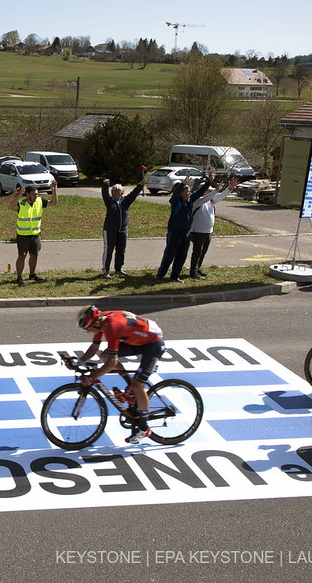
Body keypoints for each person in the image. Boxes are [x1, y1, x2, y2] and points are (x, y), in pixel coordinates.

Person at [75, 305, 166, 444]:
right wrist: (79, 362)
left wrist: (92, 377)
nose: (88, 332)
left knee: (138, 386)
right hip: (137, 339)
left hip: (153, 344)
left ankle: (144, 427)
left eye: (88, 329)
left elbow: (112, 363)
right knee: (104, 355)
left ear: (96, 323)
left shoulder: (111, 326)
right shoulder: (101, 320)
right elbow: (95, 347)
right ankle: (130, 384)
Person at [156, 176, 211, 283]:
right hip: (174, 233)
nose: (189, 193)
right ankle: (160, 275)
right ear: (181, 192)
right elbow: (175, 194)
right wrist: (182, 183)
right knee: (169, 255)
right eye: (187, 191)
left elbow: (200, 192)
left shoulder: (189, 202)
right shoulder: (175, 202)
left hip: (186, 234)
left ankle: (175, 276)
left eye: (190, 191)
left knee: (182, 256)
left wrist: (209, 182)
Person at [188, 175, 239, 278]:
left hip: (208, 231)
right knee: (197, 252)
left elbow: (220, 196)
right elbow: (206, 198)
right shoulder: (197, 201)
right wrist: (215, 191)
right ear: (203, 191)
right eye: (209, 191)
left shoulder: (211, 201)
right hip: (197, 231)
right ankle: (193, 271)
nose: (210, 193)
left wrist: (230, 188)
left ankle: (198, 268)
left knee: (203, 252)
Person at [9, 182, 58, 284]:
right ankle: (19, 277)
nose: (36, 196)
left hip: (35, 234)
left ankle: (32, 274)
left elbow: (54, 203)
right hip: (23, 235)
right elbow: (11, 207)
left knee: (34, 255)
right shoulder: (21, 203)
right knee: (22, 256)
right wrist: (18, 195)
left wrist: (54, 190)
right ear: (27, 194)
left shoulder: (39, 201)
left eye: (37, 194)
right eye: (34, 194)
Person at [100, 176, 145, 278]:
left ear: (122, 192)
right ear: (112, 193)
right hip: (110, 230)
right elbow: (104, 194)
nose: (116, 192)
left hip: (122, 230)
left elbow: (133, 194)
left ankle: (119, 269)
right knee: (109, 250)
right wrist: (105, 184)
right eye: (115, 191)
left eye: (118, 191)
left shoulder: (126, 202)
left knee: (121, 250)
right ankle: (106, 270)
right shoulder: (109, 201)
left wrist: (140, 185)